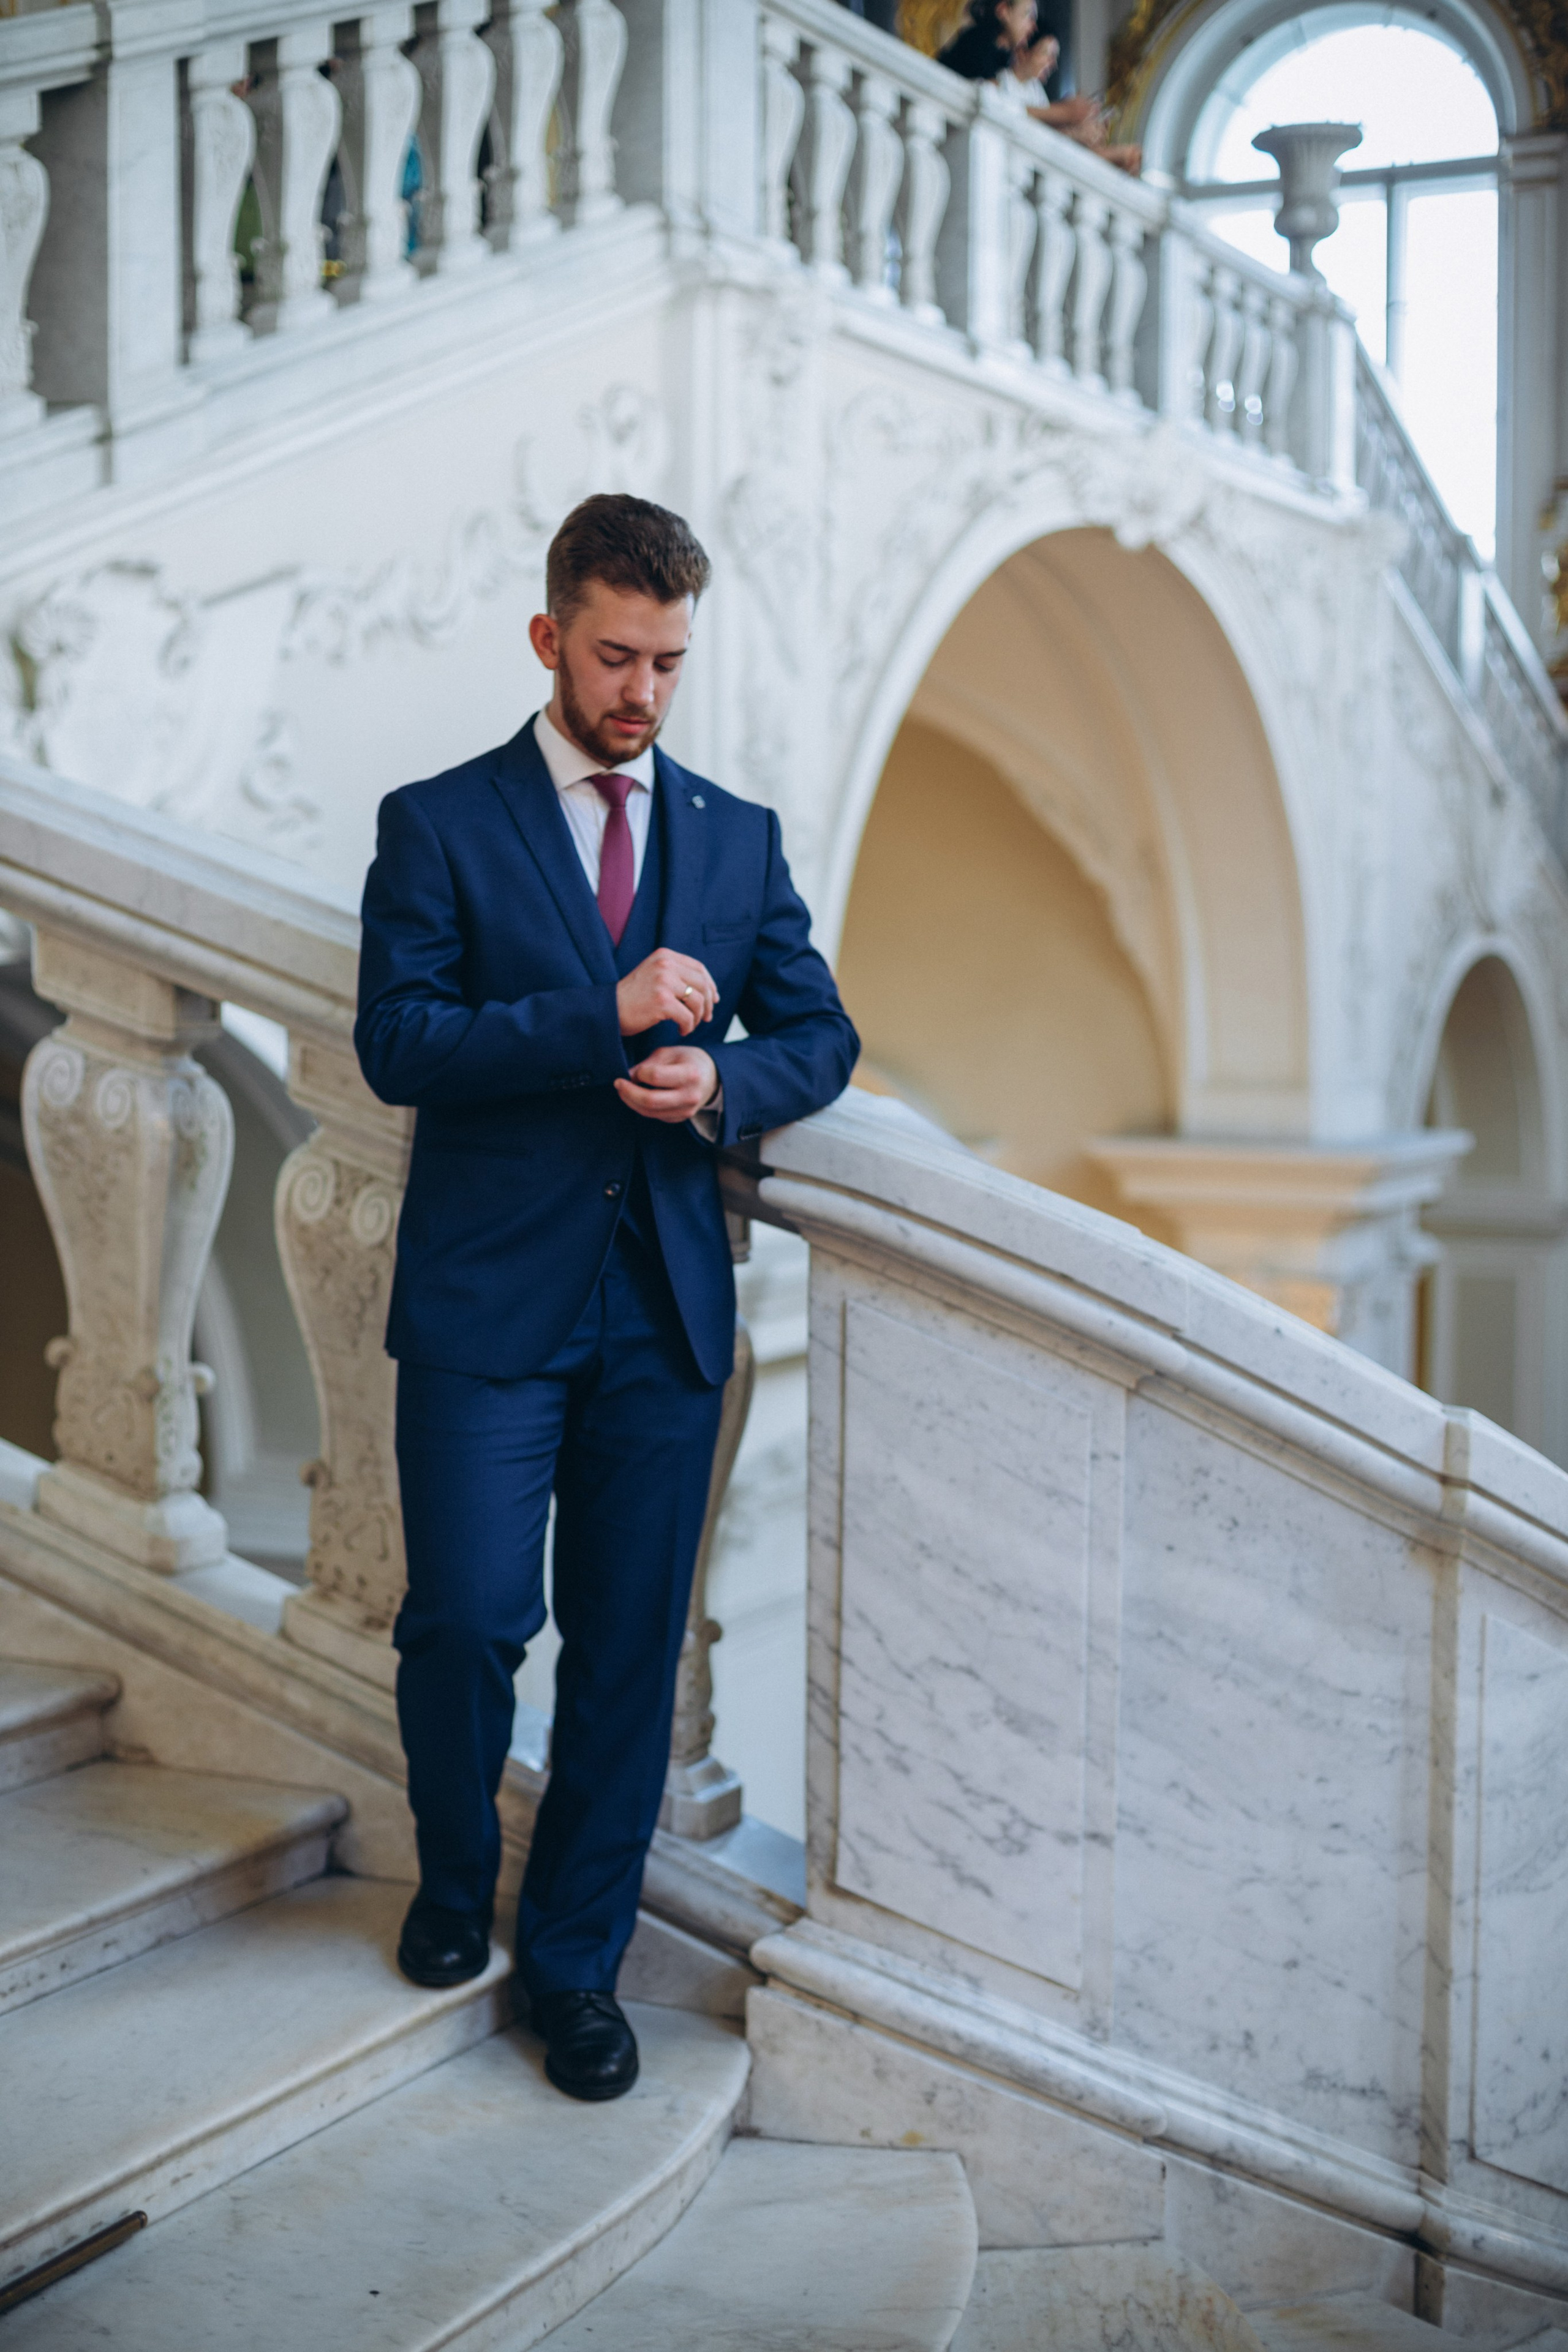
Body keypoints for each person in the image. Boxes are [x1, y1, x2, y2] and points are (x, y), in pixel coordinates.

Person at [355, 494, 859, 2101]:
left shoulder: (736, 835)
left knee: (631, 1654)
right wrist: (606, 1013)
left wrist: (721, 1080)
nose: (642, 690)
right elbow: (402, 1043)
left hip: (666, 1317)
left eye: (668, 662)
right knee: (465, 1621)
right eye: (617, 654)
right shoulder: (438, 822)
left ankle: (576, 1967)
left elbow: (824, 1036)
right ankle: (450, 1884)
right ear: (550, 637)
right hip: (490, 1307)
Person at [938, 0, 1142, 175]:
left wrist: (1078, 130)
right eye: (1027, 15)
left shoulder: (1029, 85)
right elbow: (997, 103)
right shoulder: (979, 43)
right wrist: (1064, 114)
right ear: (1004, 11)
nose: (1032, 26)